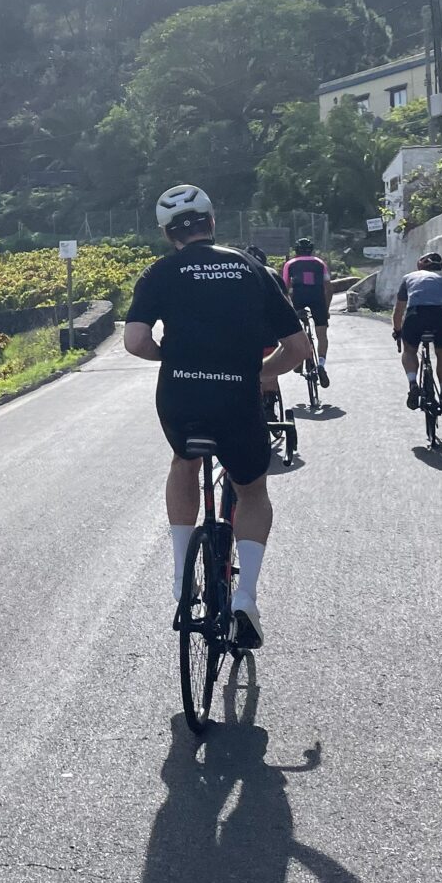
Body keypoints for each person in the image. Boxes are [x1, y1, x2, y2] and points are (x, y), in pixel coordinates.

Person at [124, 185, 311, 650]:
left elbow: (134, 341)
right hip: (236, 395)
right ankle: (245, 594)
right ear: (211, 221)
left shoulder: (160, 272)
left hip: (181, 392)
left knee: (183, 463)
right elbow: (297, 349)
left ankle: (179, 575)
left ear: (169, 234)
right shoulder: (253, 269)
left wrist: (170, 356)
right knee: (252, 489)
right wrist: (259, 375)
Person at [392, 251, 442, 413]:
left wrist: (398, 331)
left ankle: (413, 384)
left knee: (409, 350)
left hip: (415, 315)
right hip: (441, 316)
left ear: (420, 266)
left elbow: (398, 312)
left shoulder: (409, 278)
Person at [279, 239, 333, 387]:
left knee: (297, 332)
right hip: (317, 298)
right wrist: (326, 309)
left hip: (298, 297)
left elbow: (284, 288)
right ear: (312, 250)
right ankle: (321, 364)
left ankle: (299, 359)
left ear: (296, 251)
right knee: (322, 335)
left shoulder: (290, 264)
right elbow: (328, 287)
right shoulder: (320, 263)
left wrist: (288, 310)